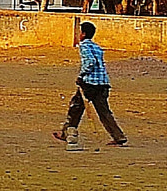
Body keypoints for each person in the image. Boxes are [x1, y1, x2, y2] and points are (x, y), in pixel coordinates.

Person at [53, 20, 128, 148]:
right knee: (104, 112)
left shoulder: (84, 46)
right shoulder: (97, 47)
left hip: (89, 83)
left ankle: (66, 133)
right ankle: (118, 136)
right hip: (103, 83)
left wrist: (81, 75)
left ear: (83, 34)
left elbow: (90, 63)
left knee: (75, 108)